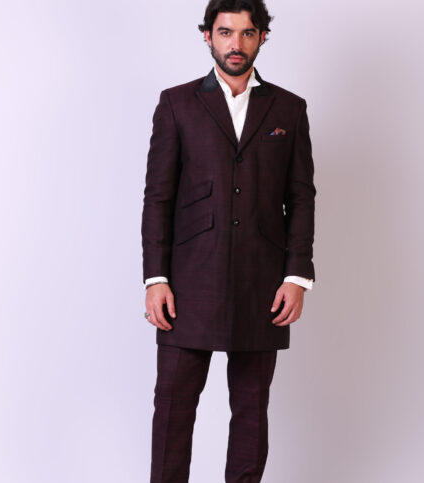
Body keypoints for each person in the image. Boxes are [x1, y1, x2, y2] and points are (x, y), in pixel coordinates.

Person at [141, 0, 316, 481]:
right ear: (207, 36)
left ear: (262, 38)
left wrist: (297, 276)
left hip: (263, 284)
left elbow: (301, 198)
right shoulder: (176, 104)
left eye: (246, 33)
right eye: (225, 32)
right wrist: (156, 278)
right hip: (188, 283)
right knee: (173, 407)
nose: (235, 44)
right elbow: (158, 197)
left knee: (252, 411)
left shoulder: (289, 108)